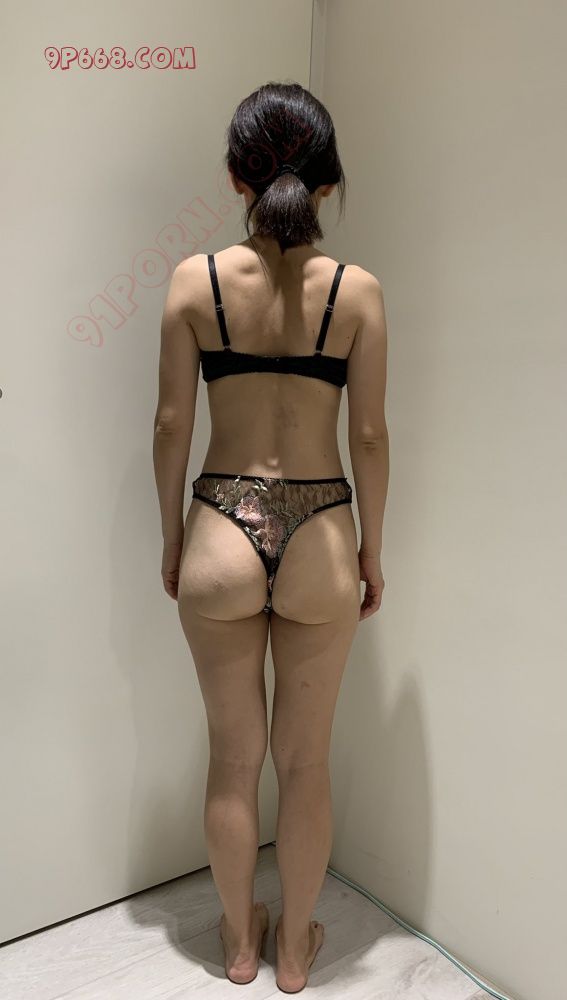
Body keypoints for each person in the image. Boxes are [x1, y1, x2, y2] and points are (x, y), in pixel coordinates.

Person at [153, 81, 389, 993]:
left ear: (235, 177)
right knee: (304, 762)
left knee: (232, 761)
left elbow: (171, 424)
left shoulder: (195, 282)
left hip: (219, 521)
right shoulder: (356, 292)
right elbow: (369, 436)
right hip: (322, 526)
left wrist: (173, 539)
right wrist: (370, 551)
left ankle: (240, 947)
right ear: (327, 183)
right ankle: (294, 950)